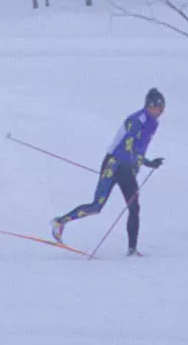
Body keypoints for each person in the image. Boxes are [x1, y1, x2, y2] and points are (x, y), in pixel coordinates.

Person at [52, 88, 164, 256]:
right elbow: (127, 144)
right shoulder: (137, 119)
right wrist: (139, 161)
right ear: (149, 105)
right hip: (114, 164)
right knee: (97, 206)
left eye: (162, 108)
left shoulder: (153, 123)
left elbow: (139, 148)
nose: (161, 111)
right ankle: (60, 222)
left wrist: (148, 162)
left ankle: (132, 249)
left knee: (134, 207)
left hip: (127, 168)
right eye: (158, 107)